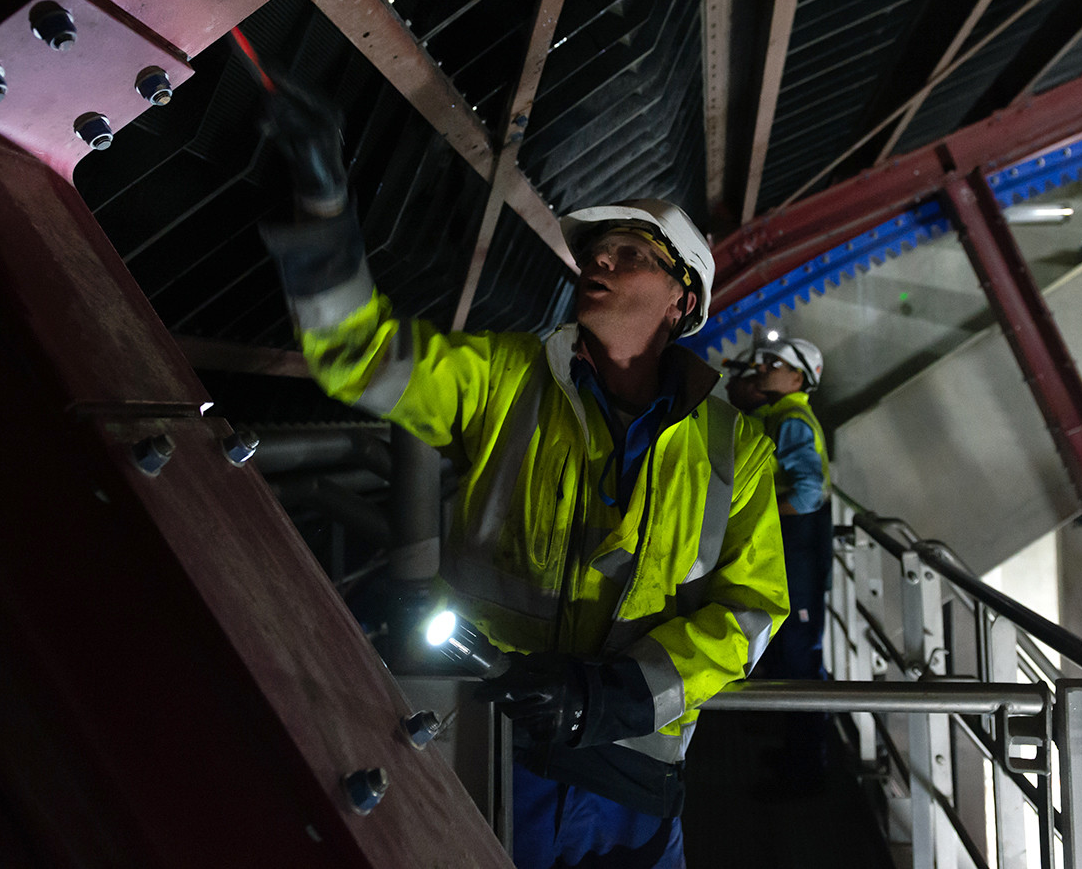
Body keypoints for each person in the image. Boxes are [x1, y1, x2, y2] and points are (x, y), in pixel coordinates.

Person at [257, 88, 786, 869]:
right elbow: (360, 356)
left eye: (629, 252)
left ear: (682, 299)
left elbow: (751, 611)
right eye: (596, 249)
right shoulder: (507, 378)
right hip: (494, 743)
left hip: (631, 777)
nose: (598, 259)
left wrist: (615, 695)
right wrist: (321, 212)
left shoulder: (738, 449)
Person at [725, 336, 832, 795]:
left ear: (798, 378)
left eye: (775, 363)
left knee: (800, 655)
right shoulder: (778, 415)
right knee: (790, 651)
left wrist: (759, 513)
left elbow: (807, 494)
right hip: (795, 551)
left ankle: (807, 771)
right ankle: (796, 756)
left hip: (799, 550)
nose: (763, 367)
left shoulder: (789, 420)